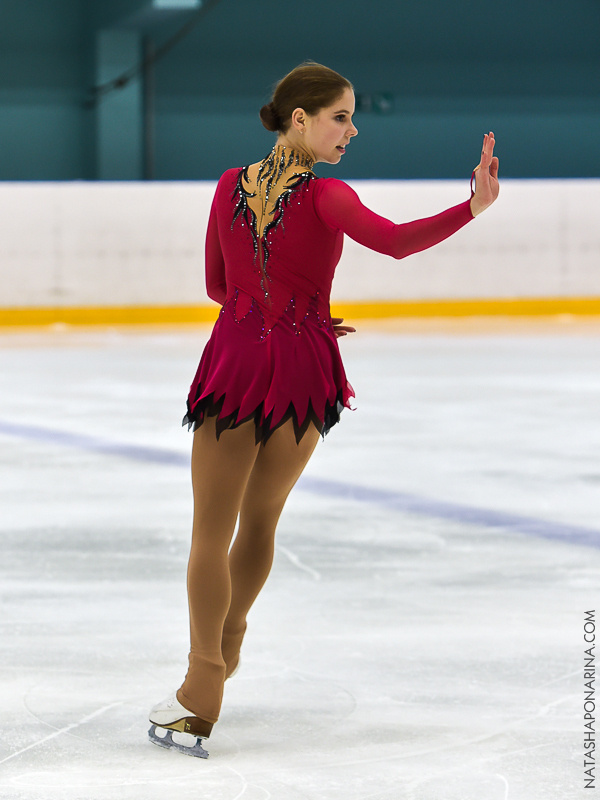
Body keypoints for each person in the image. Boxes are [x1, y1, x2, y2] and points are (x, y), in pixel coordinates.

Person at [148, 61, 499, 757]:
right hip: (306, 368)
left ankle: (201, 684)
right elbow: (396, 242)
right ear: (299, 119)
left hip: (238, 360)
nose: (352, 128)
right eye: (341, 115)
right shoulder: (329, 195)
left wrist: (267, 310)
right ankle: (231, 638)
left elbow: (219, 285)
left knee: (208, 533)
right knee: (261, 520)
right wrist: (472, 208)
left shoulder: (228, 187)